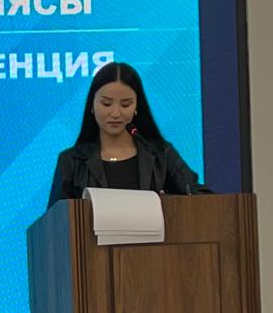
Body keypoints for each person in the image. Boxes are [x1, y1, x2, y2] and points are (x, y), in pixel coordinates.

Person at [48, 61, 203, 206]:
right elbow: (55, 221)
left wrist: (171, 203)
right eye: (106, 103)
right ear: (92, 105)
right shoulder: (71, 162)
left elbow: (202, 198)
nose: (116, 113)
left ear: (136, 107)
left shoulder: (162, 155)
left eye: (125, 104)